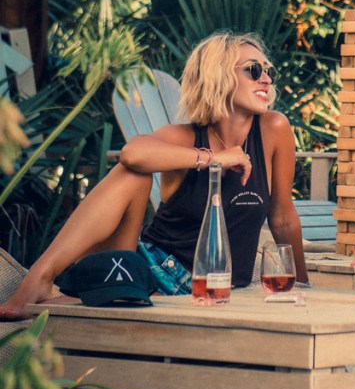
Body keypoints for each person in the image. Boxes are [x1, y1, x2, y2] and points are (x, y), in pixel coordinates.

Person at [0, 31, 308, 317]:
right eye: (254, 70)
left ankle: (79, 295)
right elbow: (133, 154)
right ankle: (40, 277)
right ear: (219, 77)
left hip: (210, 285)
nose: (266, 78)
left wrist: (306, 287)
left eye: (269, 71)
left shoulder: (273, 129)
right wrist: (217, 159)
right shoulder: (183, 137)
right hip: (147, 267)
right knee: (134, 173)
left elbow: (282, 217)